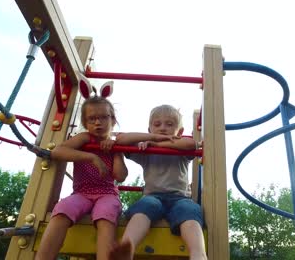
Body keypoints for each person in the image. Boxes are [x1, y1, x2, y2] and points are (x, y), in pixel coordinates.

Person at [35, 97, 177, 260]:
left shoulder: (115, 144)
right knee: (62, 209)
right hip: (81, 193)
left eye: (103, 117)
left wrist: (116, 152)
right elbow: (57, 152)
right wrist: (92, 157)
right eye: (92, 119)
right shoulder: (84, 139)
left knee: (105, 215)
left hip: (107, 194)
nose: (98, 123)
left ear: (113, 120)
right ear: (85, 122)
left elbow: (121, 176)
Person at [109, 104, 207, 260]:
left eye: (169, 124)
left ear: (179, 132)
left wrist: (157, 143)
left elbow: (190, 144)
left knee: (189, 211)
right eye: (157, 124)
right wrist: (151, 139)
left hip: (180, 198)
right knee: (147, 206)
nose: (162, 128)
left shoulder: (180, 147)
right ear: (149, 130)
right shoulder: (145, 149)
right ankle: (127, 246)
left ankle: (198, 254)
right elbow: (121, 139)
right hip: (153, 196)